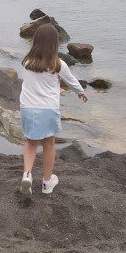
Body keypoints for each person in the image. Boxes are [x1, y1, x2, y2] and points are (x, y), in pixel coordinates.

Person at [18, 22, 87, 196]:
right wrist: (80, 92)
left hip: (28, 107)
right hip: (47, 109)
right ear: (54, 44)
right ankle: (47, 183)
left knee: (30, 142)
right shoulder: (58, 64)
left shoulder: (27, 61)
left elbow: (32, 82)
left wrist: (55, 88)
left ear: (35, 41)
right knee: (49, 143)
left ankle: (27, 175)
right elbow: (71, 81)